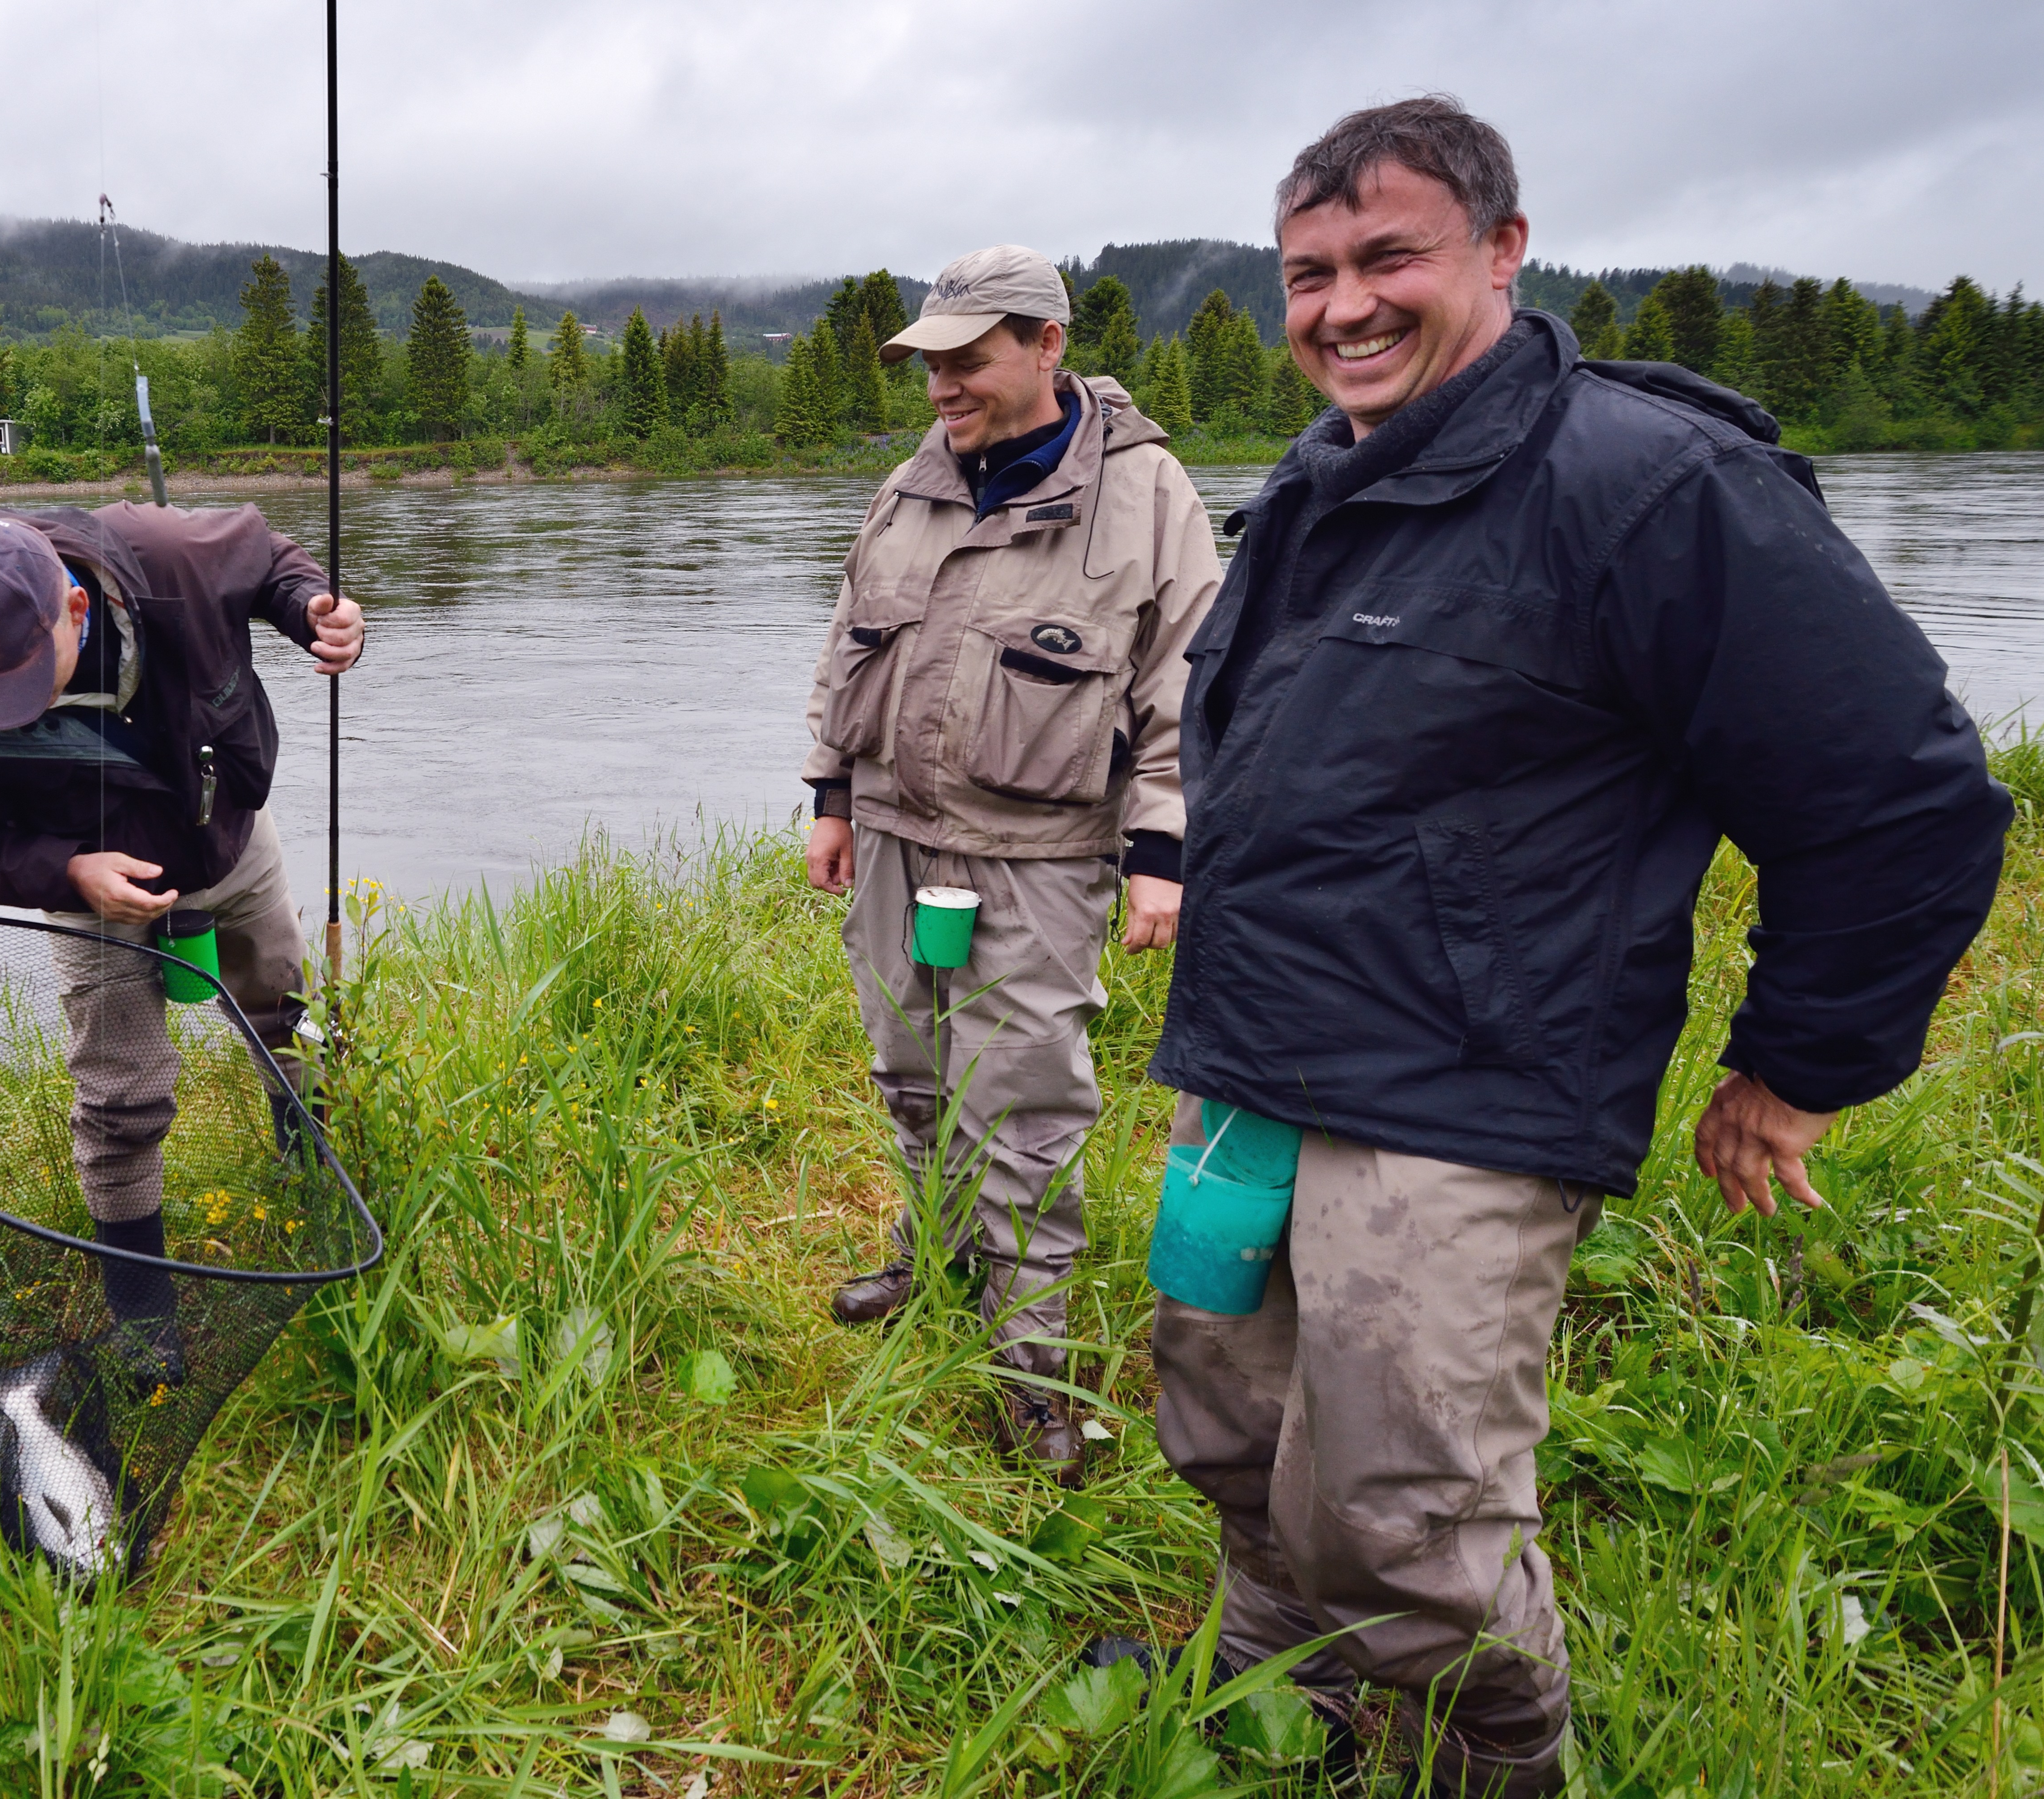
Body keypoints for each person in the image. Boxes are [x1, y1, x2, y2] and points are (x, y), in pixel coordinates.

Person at [1138, 99, 2011, 1793]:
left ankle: (1489, 1764)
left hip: (1460, 1094)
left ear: (1502, 249)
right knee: (1229, 1426)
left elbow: (1900, 798)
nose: (1341, 307)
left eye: (1386, 257)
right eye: (1307, 273)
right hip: (1247, 1069)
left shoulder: (1649, 484)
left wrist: (1793, 1068)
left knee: (1401, 1505)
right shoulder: (1319, 484)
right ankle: (1275, 1716)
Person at [798, 243, 1221, 1480]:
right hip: (891, 838)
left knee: (1024, 1105)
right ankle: (931, 1265)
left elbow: (1187, 681)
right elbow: (845, 647)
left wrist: (1162, 849)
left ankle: (1029, 1364)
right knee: (910, 1068)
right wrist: (830, 793)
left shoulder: (1146, 495)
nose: (941, 386)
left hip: (1038, 856)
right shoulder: (909, 486)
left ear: (1046, 346)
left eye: (967, 359)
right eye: (928, 363)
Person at [0, 503, 361, 1381]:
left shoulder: (174, 557)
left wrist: (317, 609)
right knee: (120, 1094)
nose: (5, 703)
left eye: (24, 678)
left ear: (74, 607)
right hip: (90, 884)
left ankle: (318, 1180)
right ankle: (144, 1320)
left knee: (292, 1015)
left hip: (229, 839)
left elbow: (270, 558)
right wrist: (68, 871)